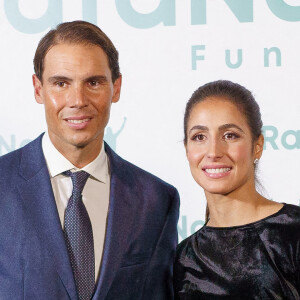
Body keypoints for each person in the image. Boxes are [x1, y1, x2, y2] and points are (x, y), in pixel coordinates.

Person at [0, 21, 179, 300]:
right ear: (38, 89)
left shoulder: (156, 199)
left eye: (93, 82)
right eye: (61, 83)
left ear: (116, 88)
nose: (78, 100)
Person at [174, 80, 300, 299]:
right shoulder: (182, 259)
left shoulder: (293, 231)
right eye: (199, 137)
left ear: (257, 145)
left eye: (230, 135)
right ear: (187, 149)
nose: (213, 151)